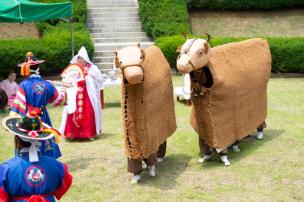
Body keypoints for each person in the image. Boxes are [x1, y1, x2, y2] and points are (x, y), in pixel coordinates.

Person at [0, 111, 72, 202]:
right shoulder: (58, 166)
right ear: (39, 139)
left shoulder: (5, 169)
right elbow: (63, 187)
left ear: (17, 140)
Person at [10, 52, 66, 159]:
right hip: (43, 116)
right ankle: (46, 161)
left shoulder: (23, 85)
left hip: (27, 118)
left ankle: (27, 160)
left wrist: (12, 120)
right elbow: (58, 100)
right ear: (38, 68)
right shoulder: (47, 84)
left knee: (26, 137)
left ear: (26, 70)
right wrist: (64, 90)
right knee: (44, 137)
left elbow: (18, 105)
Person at [60, 46, 104, 140]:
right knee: (73, 112)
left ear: (86, 59)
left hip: (88, 95)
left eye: (82, 58)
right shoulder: (73, 69)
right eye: (79, 58)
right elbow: (67, 79)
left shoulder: (92, 68)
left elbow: (100, 79)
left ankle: (89, 133)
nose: (80, 60)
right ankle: (72, 133)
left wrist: (88, 79)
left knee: (89, 112)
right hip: (75, 95)